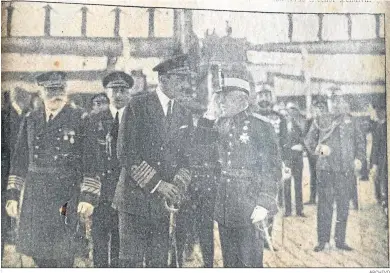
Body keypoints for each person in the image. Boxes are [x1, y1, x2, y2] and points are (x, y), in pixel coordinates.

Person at [5, 71, 101, 267]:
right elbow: (19, 161)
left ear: (65, 91)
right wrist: (13, 195)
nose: (55, 95)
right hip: (36, 196)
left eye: (60, 90)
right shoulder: (30, 119)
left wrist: (88, 197)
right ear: (41, 92)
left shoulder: (80, 119)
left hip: (65, 195)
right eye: (50, 90)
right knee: (39, 255)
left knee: (63, 253)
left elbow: (91, 162)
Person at [112, 55, 193, 267]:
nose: (184, 84)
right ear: (163, 79)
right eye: (179, 79)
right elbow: (126, 153)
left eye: (186, 79)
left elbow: (187, 157)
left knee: (159, 262)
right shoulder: (137, 106)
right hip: (134, 201)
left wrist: (177, 186)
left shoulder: (184, 113)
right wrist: (159, 184)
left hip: (164, 205)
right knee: (132, 262)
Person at [201, 64, 282, 267]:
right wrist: (208, 119)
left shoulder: (261, 126)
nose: (220, 102)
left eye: (224, 98)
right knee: (230, 260)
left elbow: (272, 169)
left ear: (241, 100)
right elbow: (200, 151)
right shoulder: (219, 123)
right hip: (226, 203)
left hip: (250, 201)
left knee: (250, 261)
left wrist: (264, 202)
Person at [304, 87, 365, 252]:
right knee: (324, 206)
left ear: (345, 102)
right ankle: (322, 241)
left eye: (340, 100)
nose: (337, 104)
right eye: (333, 101)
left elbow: (360, 143)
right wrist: (320, 150)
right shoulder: (320, 120)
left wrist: (359, 159)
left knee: (343, 206)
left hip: (345, 170)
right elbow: (309, 141)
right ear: (328, 103)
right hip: (326, 170)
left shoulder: (352, 121)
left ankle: (340, 240)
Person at [89, 72, 135, 268]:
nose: (118, 95)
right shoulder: (94, 120)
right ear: (107, 93)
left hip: (127, 188)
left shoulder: (136, 118)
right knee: (99, 236)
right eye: (114, 90)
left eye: (123, 90)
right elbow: (88, 155)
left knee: (121, 238)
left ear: (129, 93)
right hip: (101, 189)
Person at [304, 96, 328, 205]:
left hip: (326, 154)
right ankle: (313, 198)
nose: (320, 109)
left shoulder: (328, 121)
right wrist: (313, 151)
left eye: (322, 107)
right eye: (318, 107)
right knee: (314, 175)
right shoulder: (310, 121)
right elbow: (306, 137)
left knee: (325, 176)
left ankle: (325, 199)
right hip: (313, 154)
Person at [370, 103, 387, 225]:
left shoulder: (384, 125)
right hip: (381, 164)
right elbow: (374, 147)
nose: (378, 112)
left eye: (381, 110)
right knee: (384, 189)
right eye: (377, 110)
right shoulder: (377, 126)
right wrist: (374, 164)